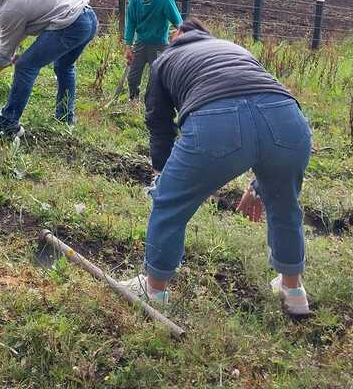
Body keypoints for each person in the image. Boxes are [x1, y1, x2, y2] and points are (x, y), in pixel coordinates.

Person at [119, 19, 312, 317]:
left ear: (180, 36)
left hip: (216, 123)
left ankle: (154, 288)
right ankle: (293, 291)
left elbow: (159, 123)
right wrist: (258, 187)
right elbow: (257, 114)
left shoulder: (166, 58)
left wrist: (162, 174)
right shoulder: (236, 49)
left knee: (169, 204)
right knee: (285, 205)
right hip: (286, 118)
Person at [0, 0, 97, 142]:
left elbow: (5, 48)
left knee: (25, 66)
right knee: (63, 66)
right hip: (88, 18)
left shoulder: (9, 8)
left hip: (72, 24)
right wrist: (10, 57)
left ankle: (8, 124)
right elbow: (18, 33)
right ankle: (65, 118)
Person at [124, 0, 182, 101]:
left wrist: (178, 35)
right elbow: (130, 22)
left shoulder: (166, 1)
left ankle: (152, 104)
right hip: (140, 43)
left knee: (156, 78)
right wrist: (128, 46)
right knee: (132, 77)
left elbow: (179, 23)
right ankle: (133, 100)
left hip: (159, 45)